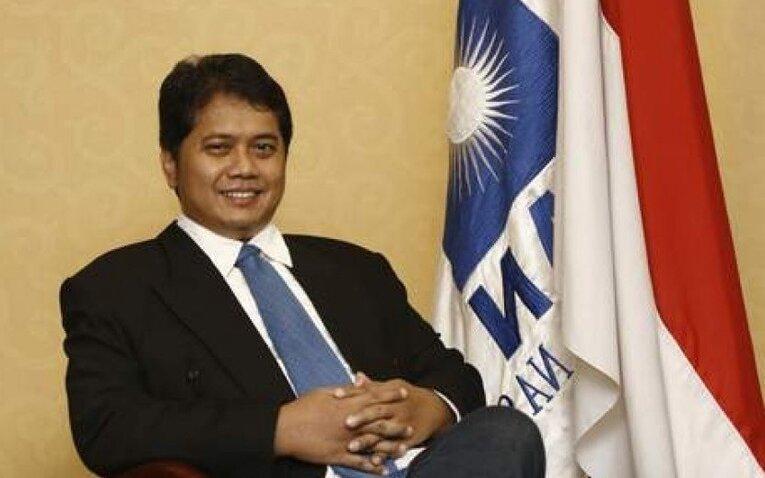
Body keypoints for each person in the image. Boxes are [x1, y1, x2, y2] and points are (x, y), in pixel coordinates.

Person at [60, 53, 545, 478]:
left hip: (417, 468)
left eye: (264, 148)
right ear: (170, 164)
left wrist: (426, 408)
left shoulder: (357, 269)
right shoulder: (116, 288)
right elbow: (108, 428)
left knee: (507, 433)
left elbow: (454, 375)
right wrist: (280, 429)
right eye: (219, 148)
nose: (245, 167)